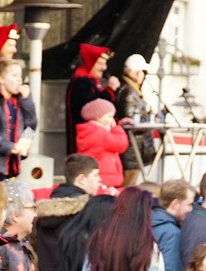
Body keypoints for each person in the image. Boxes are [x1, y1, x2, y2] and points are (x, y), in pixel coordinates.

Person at [65, 43, 119, 155]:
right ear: (90, 62)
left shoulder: (89, 82)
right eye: (100, 63)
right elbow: (92, 109)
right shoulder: (81, 83)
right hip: (85, 145)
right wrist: (109, 91)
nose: (104, 68)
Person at [114, 54, 156, 186]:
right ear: (136, 73)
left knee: (130, 184)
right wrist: (150, 123)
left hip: (135, 149)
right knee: (128, 185)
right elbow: (131, 121)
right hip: (133, 150)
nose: (144, 76)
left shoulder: (131, 91)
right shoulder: (129, 92)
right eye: (142, 72)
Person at [75, 99, 129, 191]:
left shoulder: (89, 131)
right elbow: (121, 144)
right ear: (99, 117)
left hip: (96, 174)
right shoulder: (101, 134)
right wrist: (117, 128)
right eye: (109, 116)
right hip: (106, 177)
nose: (112, 120)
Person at [151, 179, 196, 271]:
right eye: (189, 204)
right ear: (175, 204)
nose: (191, 209)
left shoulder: (147, 220)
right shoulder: (171, 233)